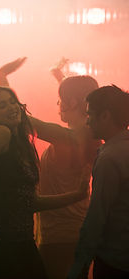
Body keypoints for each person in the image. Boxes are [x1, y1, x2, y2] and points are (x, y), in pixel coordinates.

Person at [0, 87, 89, 279]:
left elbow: (30, 203)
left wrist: (77, 195)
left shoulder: (21, 145)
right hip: (3, 247)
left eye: (13, 101)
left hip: (24, 245)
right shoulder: (1, 132)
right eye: (2, 105)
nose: (12, 107)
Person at [0, 57, 101, 279]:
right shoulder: (91, 134)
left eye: (59, 100)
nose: (58, 105)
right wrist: (60, 78)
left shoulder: (69, 139)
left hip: (59, 238)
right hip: (77, 233)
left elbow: (23, 120)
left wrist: (2, 78)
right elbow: (81, 101)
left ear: (72, 103)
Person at [68, 85, 129, 279]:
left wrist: (80, 263)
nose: (87, 122)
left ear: (105, 116)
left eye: (90, 115)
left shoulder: (109, 158)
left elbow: (97, 216)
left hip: (115, 261)